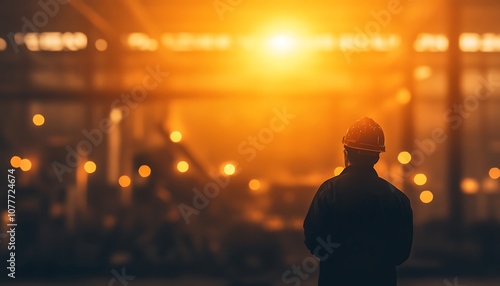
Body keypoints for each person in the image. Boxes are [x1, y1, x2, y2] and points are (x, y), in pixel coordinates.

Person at [303, 117, 413, 286]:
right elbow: (401, 253)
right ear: (377, 156)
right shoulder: (397, 198)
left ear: (346, 153)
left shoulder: (329, 191)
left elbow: (313, 239)